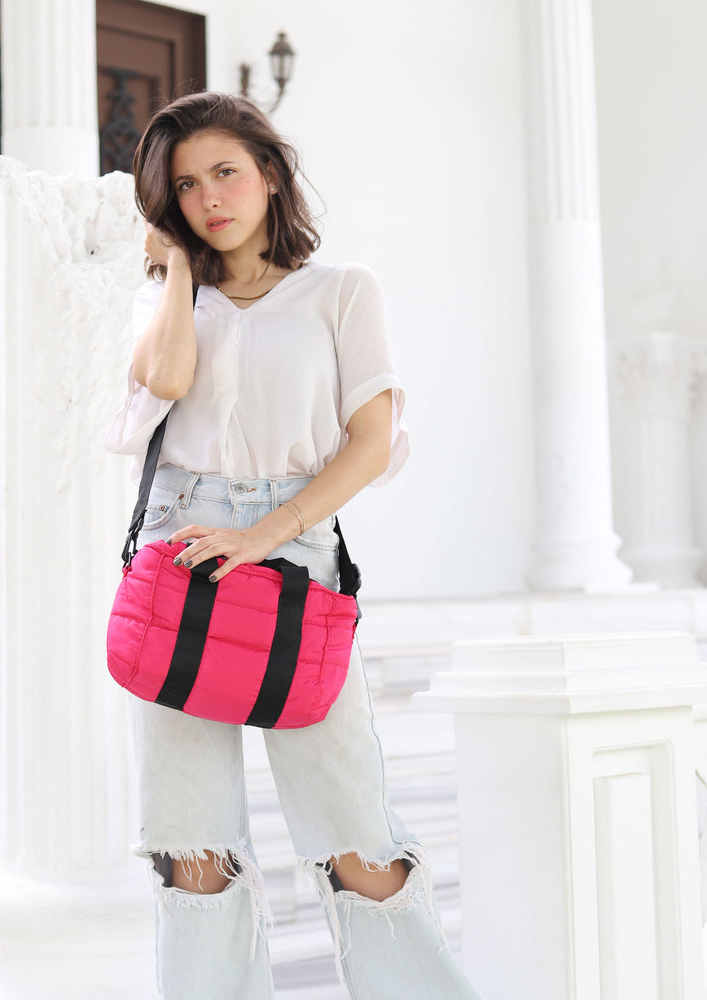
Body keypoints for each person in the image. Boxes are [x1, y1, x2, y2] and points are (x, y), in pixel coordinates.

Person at [106, 91, 480, 1000]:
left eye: (226, 172)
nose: (208, 197)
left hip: (296, 552)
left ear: (270, 175)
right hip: (184, 548)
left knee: (355, 838)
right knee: (191, 849)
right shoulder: (165, 301)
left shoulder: (342, 291)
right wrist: (178, 268)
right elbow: (167, 378)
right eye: (185, 186)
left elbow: (371, 443)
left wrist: (264, 534)